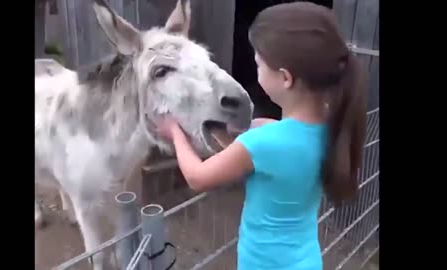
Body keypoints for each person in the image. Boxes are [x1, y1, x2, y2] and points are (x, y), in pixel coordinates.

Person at [156, 2, 367, 270]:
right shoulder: (331, 125)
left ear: (285, 78)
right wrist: (253, 129)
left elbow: (197, 177)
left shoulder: (263, 145)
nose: (256, 71)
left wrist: (174, 132)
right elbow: (280, 139)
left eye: (258, 65)